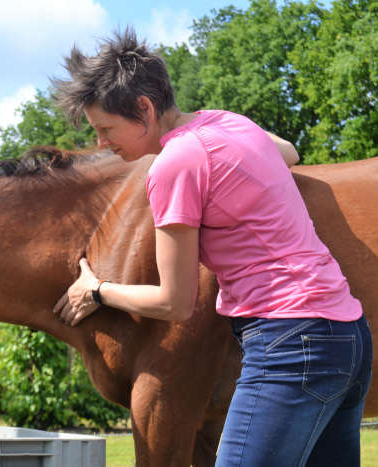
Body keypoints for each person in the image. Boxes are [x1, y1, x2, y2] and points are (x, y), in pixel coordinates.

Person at [51, 28, 372, 466]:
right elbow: (291, 152)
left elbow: (174, 302)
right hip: (348, 336)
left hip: (289, 342)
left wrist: (98, 290)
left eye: (107, 129)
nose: (102, 143)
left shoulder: (173, 166)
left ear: (143, 108)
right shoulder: (228, 123)